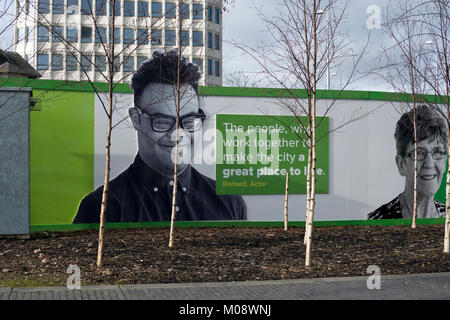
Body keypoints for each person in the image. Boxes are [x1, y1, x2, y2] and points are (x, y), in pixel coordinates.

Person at [73, 50, 246, 223]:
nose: (177, 134)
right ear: (136, 119)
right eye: (163, 122)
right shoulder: (101, 208)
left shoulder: (230, 202)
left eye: (189, 121)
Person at [368, 105, 448, 220]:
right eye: (419, 153)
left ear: (445, 160)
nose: (430, 164)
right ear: (401, 164)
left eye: (437, 152)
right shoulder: (378, 221)